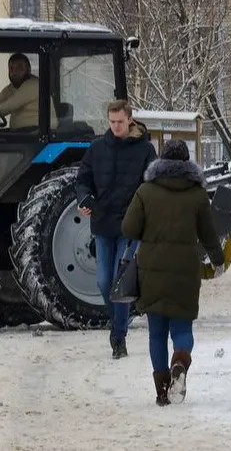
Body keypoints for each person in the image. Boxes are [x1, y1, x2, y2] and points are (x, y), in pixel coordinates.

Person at [121, 138, 225, 405]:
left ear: (161, 161)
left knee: (156, 333)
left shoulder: (145, 191)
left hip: (151, 271)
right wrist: (218, 259)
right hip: (185, 271)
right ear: (186, 161)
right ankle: (180, 361)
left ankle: (162, 392)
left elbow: (129, 229)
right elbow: (209, 234)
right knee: (182, 328)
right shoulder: (197, 194)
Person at [75, 99, 158, 359]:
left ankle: (118, 337)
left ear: (130, 119)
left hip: (129, 227)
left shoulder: (145, 150)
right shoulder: (97, 148)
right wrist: (83, 199)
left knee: (118, 281)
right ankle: (118, 323)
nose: (116, 126)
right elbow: (83, 179)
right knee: (103, 282)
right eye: (112, 122)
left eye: (120, 122)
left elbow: (152, 184)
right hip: (102, 224)